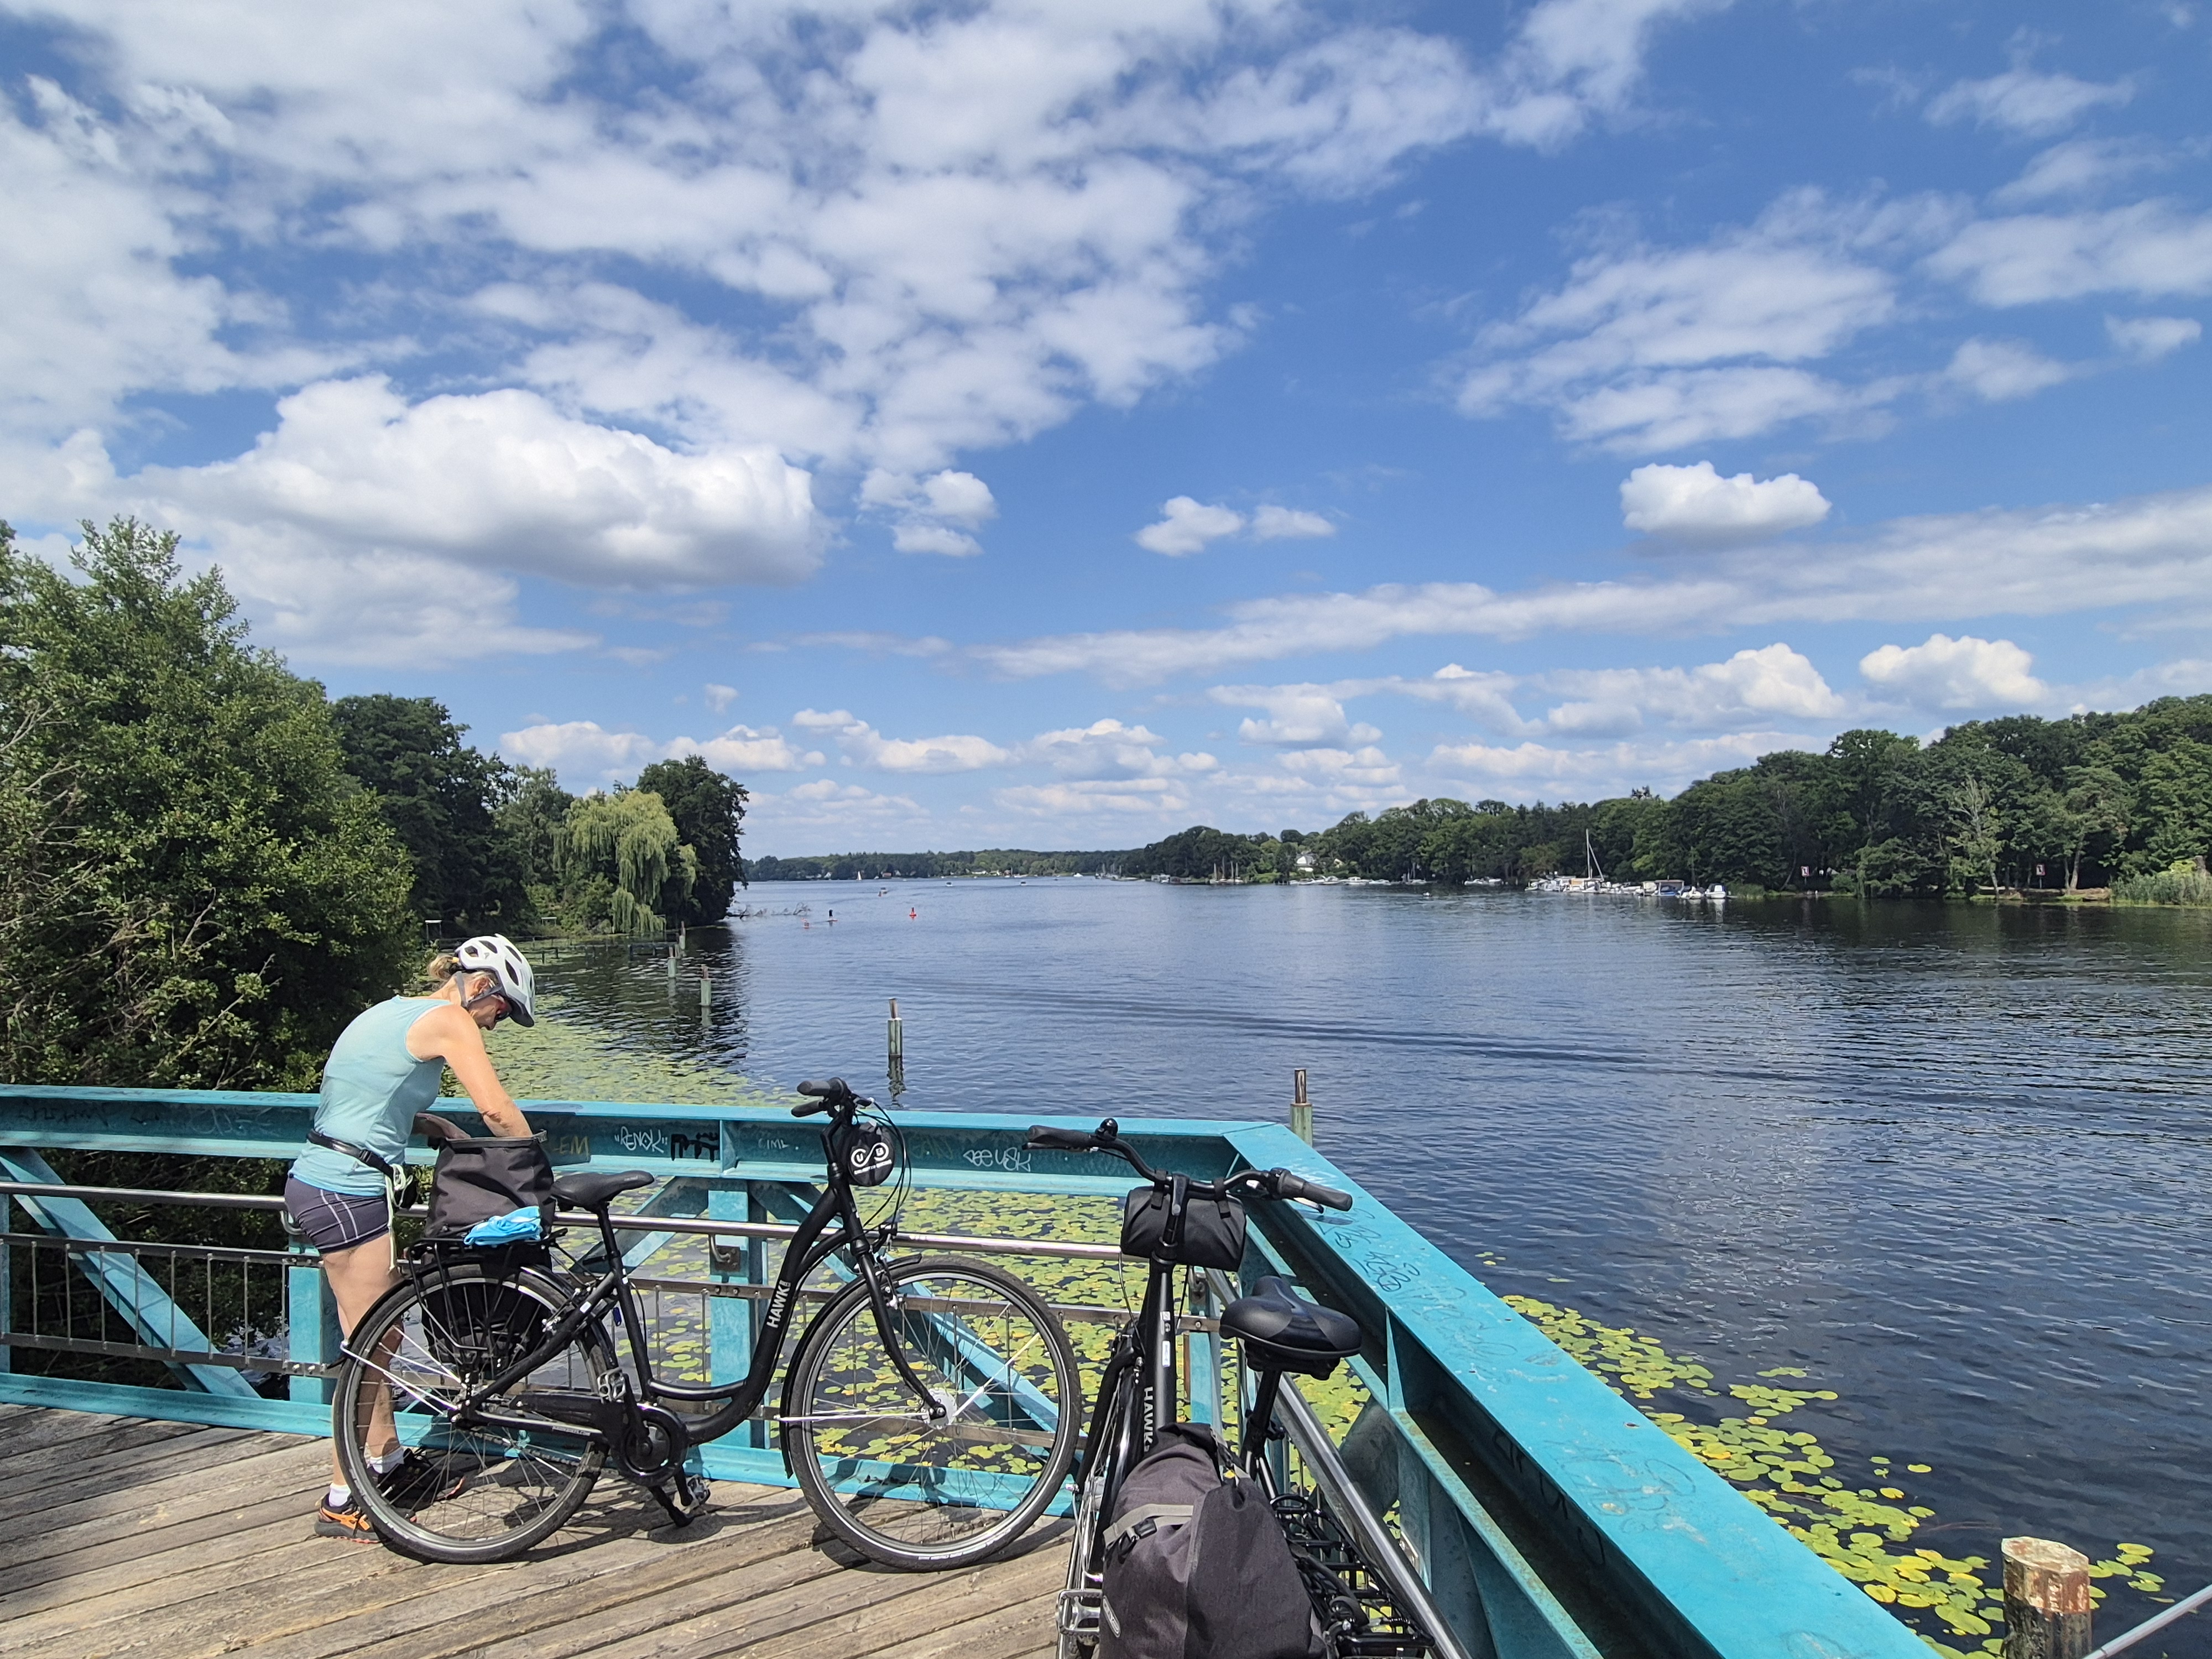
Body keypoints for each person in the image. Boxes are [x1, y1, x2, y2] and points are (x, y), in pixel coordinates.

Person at [284, 934, 538, 1541]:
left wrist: (424, 1121)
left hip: (324, 1179)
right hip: (346, 1190)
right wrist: (534, 1162)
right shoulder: (452, 1019)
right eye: (501, 1010)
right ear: (480, 986)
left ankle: (390, 1462)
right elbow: (499, 1112)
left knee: (382, 1330)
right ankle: (344, 1493)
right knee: (369, 1343)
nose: (496, 1024)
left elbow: (365, 1092)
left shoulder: (391, 1010)